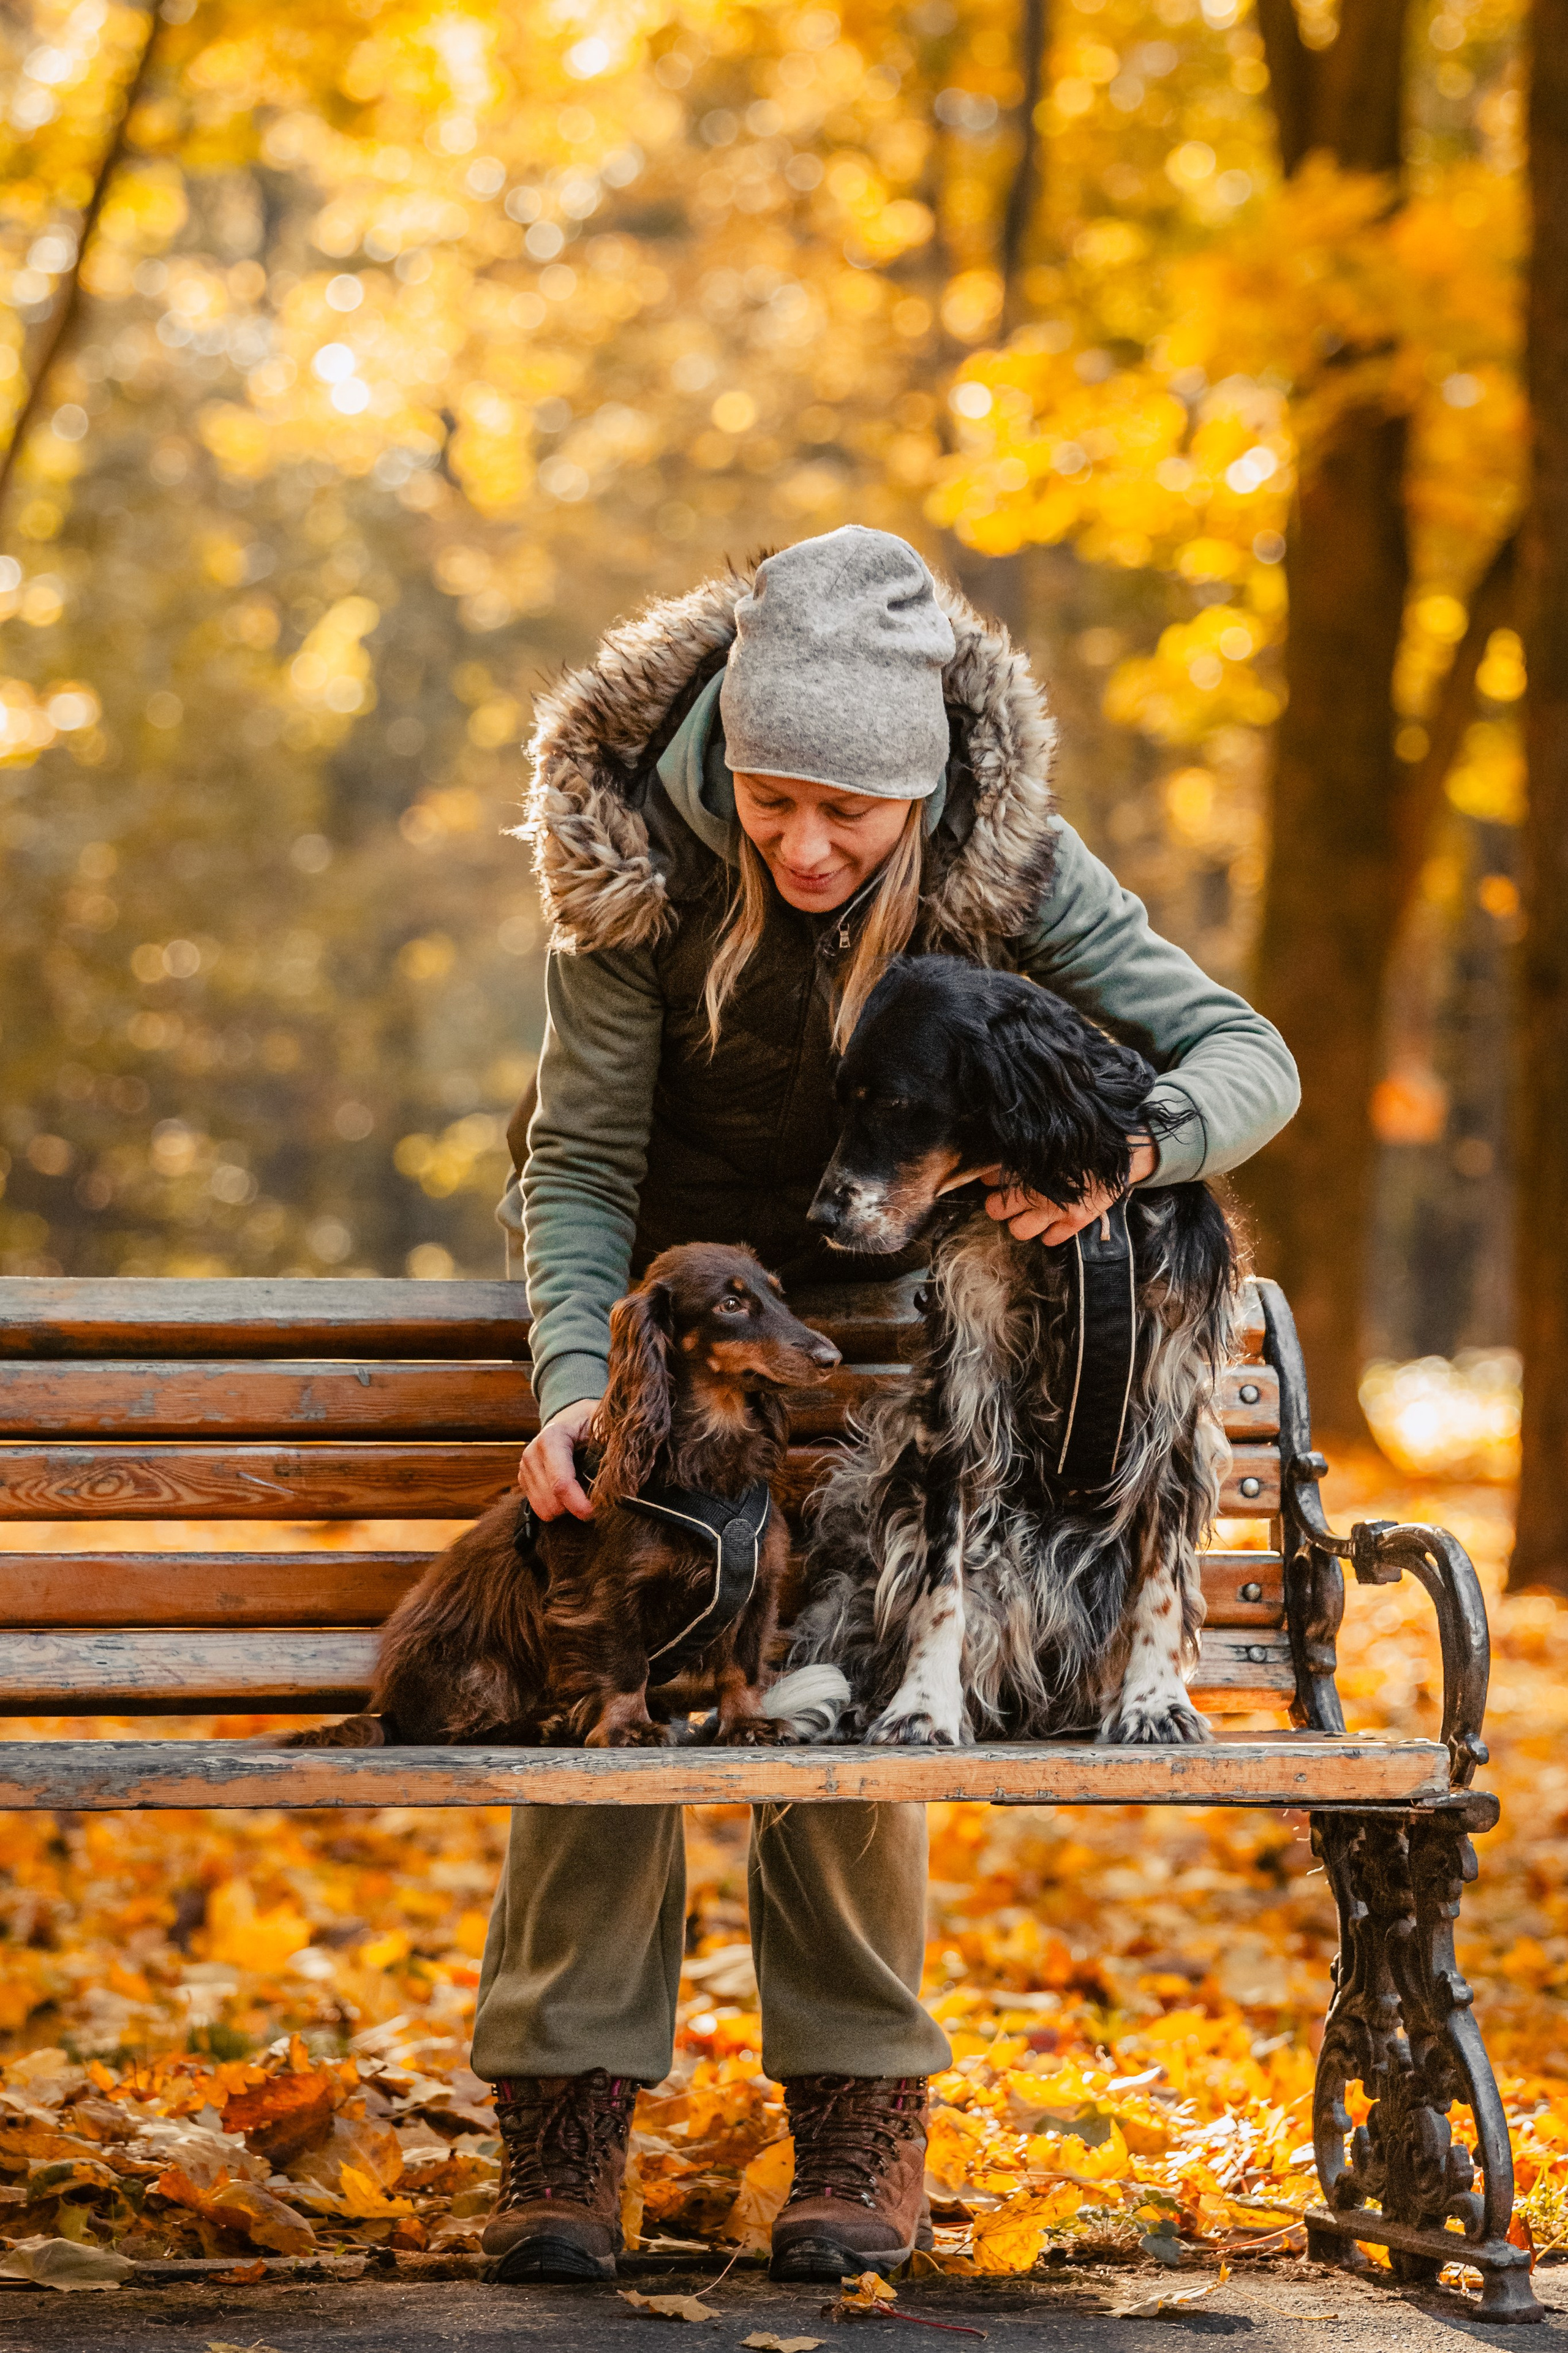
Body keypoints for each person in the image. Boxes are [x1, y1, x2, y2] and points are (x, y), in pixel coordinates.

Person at [478, 525, 1298, 2286]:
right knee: (618, 1643)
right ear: (724, 761)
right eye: (772, 801)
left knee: (851, 1636)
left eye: (849, 813)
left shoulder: (1010, 860)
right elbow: (581, 1163)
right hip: (676, 1315)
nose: (806, 846)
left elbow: (1251, 1057)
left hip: (874, 1312)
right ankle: (564, 2106)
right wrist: (580, 1389)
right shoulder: (630, 861)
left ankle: (858, 2108)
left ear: (921, 790)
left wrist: (1136, 1152)